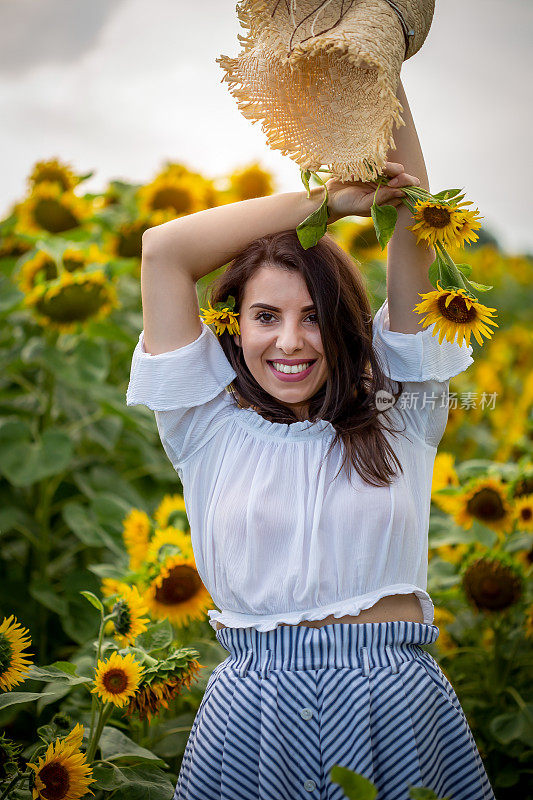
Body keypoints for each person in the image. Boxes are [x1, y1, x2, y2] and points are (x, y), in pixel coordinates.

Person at [126, 79, 495, 799]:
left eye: (312, 316)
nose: (289, 341)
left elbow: (414, 204)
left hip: (394, 705)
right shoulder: (203, 424)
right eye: (266, 315)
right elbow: (163, 251)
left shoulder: (399, 409)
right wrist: (326, 205)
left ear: (346, 325)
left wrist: (378, 62)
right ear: (236, 324)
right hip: (252, 715)